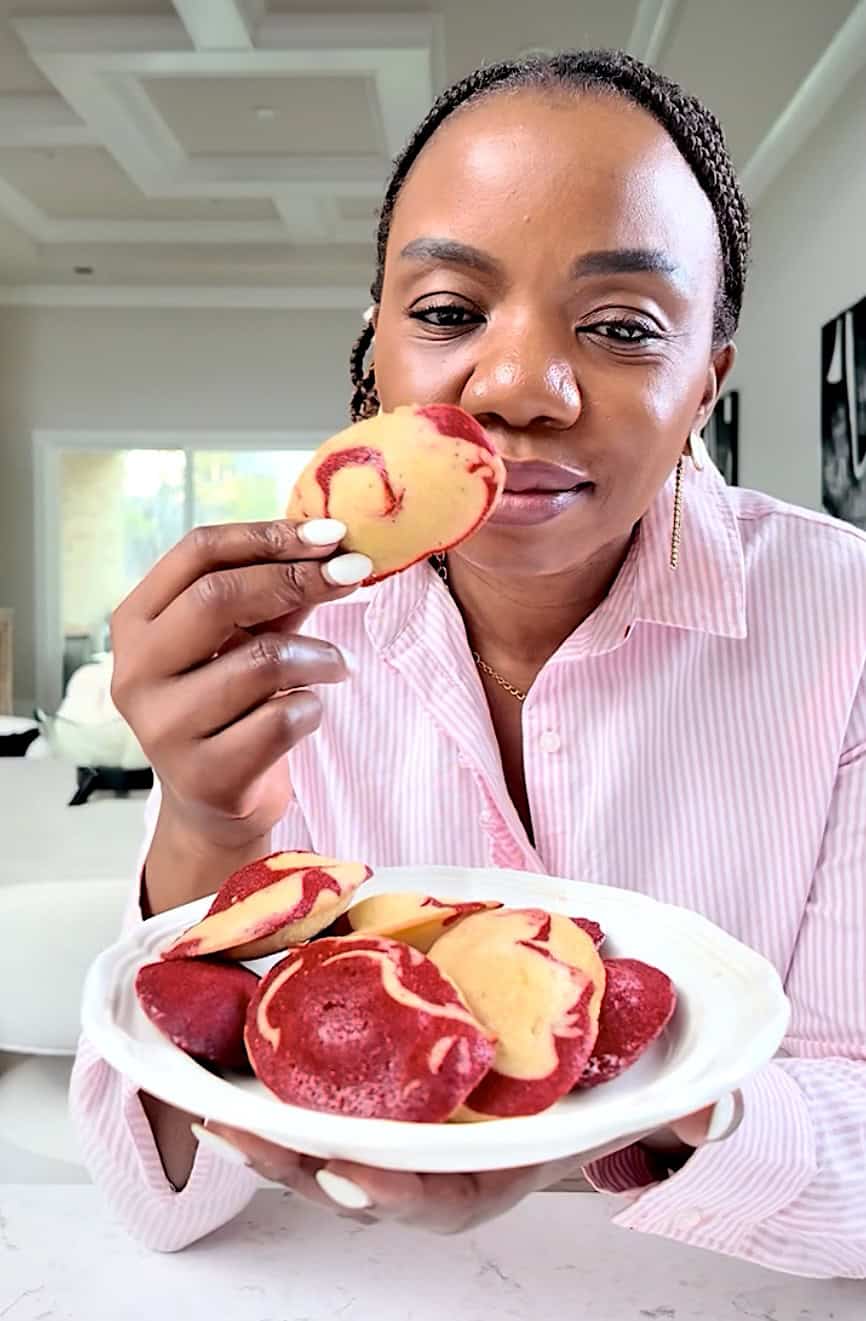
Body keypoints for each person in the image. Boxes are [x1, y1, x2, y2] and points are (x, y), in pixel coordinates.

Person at [70, 50, 866, 1276]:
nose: (518, 387)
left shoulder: (845, 627)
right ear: (379, 351)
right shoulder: (276, 645)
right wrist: (204, 827)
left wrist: (591, 1122)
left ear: (704, 385)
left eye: (620, 327)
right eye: (447, 313)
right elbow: (159, 1208)